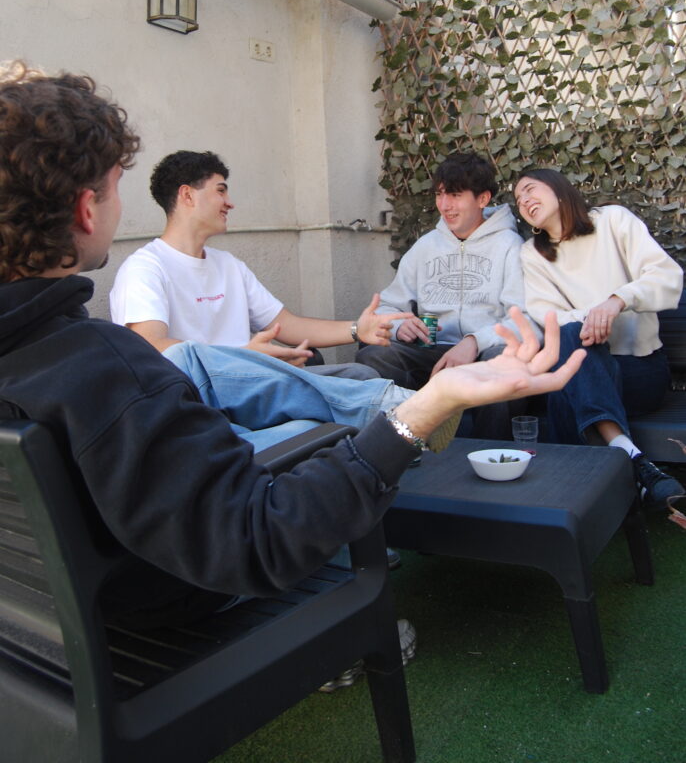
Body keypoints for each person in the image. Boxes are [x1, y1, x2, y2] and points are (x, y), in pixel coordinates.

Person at [0, 61, 584, 633]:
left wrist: (359, 331)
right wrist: (415, 416)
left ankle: (376, 404)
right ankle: (382, 433)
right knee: (302, 412)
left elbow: (286, 324)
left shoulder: (61, 358)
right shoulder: (109, 360)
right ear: (84, 208)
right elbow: (258, 542)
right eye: (112, 190)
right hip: (165, 593)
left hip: (69, 594)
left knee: (321, 379)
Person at [110, 149, 407, 382]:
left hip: (258, 380)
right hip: (204, 396)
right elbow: (151, 347)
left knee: (361, 377)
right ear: (187, 195)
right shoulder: (145, 269)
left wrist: (357, 329)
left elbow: (287, 326)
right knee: (357, 390)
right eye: (221, 190)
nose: (230, 202)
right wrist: (242, 358)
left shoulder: (228, 266)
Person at [514, 167, 685, 509]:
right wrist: (592, 319)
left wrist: (617, 302)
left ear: (559, 189)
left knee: (565, 390)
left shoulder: (613, 221)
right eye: (518, 199)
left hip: (639, 371)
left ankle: (579, 501)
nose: (525, 200)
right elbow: (548, 316)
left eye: (531, 190)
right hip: (585, 364)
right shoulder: (533, 253)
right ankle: (633, 461)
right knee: (567, 342)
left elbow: (666, 276)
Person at [356, 152, 533, 439]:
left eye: (454, 195)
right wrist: (402, 325)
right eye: (440, 195)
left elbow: (522, 318)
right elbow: (389, 304)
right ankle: (398, 446)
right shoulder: (426, 247)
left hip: (484, 352)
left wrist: (474, 342)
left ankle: (487, 453)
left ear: (483, 199)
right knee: (375, 354)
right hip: (432, 351)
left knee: (506, 360)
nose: (445, 205)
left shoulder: (510, 246)